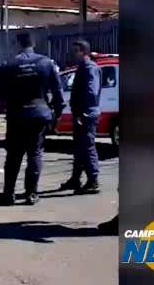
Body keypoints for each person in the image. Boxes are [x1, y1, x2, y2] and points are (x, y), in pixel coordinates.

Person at [0, 41, 65, 205]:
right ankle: (31, 194)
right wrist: (57, 113)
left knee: (13, 156)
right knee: (35, 153)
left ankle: (8, 194)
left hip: (17, 114)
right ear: (33, 45)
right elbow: (57, 90)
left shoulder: (8, 65)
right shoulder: (46, 63)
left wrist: (9, 100)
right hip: (39, 113)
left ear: (18, 45)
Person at [60, 40, 102, 194]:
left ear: (84, 52)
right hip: (81, 113)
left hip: (86, 114)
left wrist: (83, 113)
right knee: (79, 148)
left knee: (88, 147)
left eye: (75, 51)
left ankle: (93, 181)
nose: (73, 54)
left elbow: (91, 92)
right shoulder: (83, 67)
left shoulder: (90, 68)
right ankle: (75, 179)